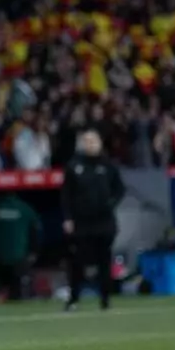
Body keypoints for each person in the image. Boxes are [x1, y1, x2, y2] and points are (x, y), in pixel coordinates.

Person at [61, 129, 125, 311]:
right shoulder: (74, 166)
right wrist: (68, 218)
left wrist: (110, 204)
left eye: (93, 141)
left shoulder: (108, 165)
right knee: (78, 262)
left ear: (100, 143)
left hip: (104, 222)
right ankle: (73, 299)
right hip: (81, 222)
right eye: (87, 141)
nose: (90, 144)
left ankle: (105, 299)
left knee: (104, 262)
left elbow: (120, 189)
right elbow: (66, 195)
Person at [0, 194, 41, 301]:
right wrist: (33, 252)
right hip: (18, 259)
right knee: (17, 295)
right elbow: (36, 231)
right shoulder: (25, 208)